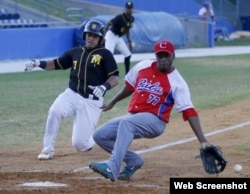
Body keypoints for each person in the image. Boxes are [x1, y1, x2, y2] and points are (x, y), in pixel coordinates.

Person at [88, 40, 221, 181]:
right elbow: (130, 86)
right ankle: (134, 160)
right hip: (134, 117)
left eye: (166, 56)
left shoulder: (177, 82)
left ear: (173, 56)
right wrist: (113, 101)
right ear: (156, 56)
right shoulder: (143, 66)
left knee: (127, 123)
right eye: (160, 56)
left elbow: (189, 111)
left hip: (155, 121)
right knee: (100, 135)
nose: (163, 59)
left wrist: (203, 141)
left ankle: (112, 166)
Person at [24, 19, 119, 160]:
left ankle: (101, 135)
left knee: (81, 145)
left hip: (91, 101)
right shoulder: (76, 52)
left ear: (100, 38)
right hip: (72, 94)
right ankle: (47, 149)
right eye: (89, 35)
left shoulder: (105, 54)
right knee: (54, 111)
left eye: (94, 36)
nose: (91, 38)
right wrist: (38, 63)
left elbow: (115, 77)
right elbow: (56, 64)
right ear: (84, 35)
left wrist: (104, 86)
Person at [103, 1, 135, 74]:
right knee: (109, 56)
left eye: (130, 8)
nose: (129, 10)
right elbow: (108, 24)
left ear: (132, 9)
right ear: (125, 9)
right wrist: (103, 36)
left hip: (118, 38)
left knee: (128, 55)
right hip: (111, 36)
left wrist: (129, 42)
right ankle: (105, 73)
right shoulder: (120, 17)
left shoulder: (132, 19)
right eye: (127, 8)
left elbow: (127, 30)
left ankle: (127, 75)